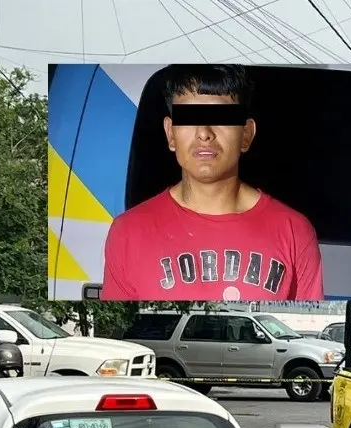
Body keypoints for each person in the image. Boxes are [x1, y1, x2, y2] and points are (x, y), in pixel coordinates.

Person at [100, 64, 324, 303]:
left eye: (220, 117)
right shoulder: (128, 232)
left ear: (246, 134)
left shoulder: (294, 231)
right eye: (189, 118)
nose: (204, 133)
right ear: (171, 133)